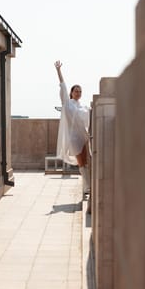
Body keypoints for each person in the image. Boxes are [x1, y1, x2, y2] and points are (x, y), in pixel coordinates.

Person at [54, 60, 90, 194]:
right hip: (73, 138)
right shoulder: (67, 104)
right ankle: (87, 187)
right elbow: (62, 86)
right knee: (81, 163)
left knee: (86, 163)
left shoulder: (83, 106)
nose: (78, 93)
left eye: (80, 91)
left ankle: (86, 186)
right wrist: (58, 71)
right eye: (76, 91)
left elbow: (89, 116)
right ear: (71, 92)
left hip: (83, 137)